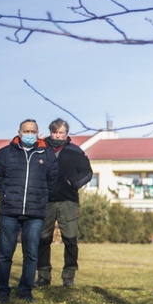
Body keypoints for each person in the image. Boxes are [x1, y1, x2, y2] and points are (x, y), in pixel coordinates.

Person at [0, 119, 58, 304]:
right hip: (9, 212)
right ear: (19, 132)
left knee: (31, 254)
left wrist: (40, 198)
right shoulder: (4, 154)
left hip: (35, 213)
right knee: (5, 254)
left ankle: (26, 291)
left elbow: (51, 180)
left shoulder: (47, 154)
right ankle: (2, 293)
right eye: (26, 131)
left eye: (33, 131)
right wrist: (7, 196)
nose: (30, 134)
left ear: (38, 133)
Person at [35, 118, 93, 288]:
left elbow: (87, 173)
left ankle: (69, 276)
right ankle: (43, 275)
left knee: (70, 240)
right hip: (44, 201)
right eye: (55, 132)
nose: (58, 135)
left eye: (61, 132)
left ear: (67, 134)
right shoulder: (40, 149)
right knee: (42, 240)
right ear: (50, 131)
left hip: (68, 202)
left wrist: (73, 182)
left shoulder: (75, 151)